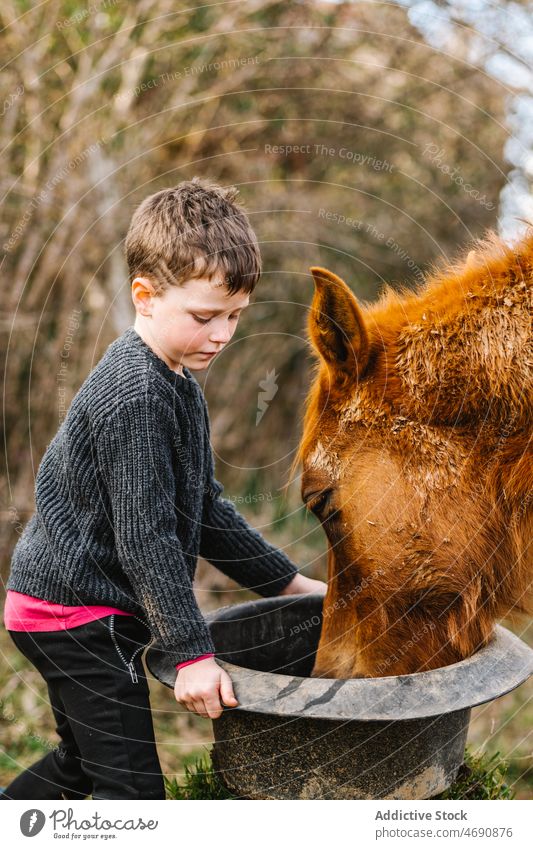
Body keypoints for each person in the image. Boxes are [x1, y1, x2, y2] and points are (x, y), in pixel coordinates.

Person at [1, 178, 326, 800]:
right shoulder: (137, 395)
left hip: (72, 607)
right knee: (135, 800)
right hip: (73, 615)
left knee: (80, 767)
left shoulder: (176, 384)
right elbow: (145, 536)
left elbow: (203, 513)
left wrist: (291, 584)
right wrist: (191, 654)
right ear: (144, 297)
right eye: (205, 316)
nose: (223, 334)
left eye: (234, 316)